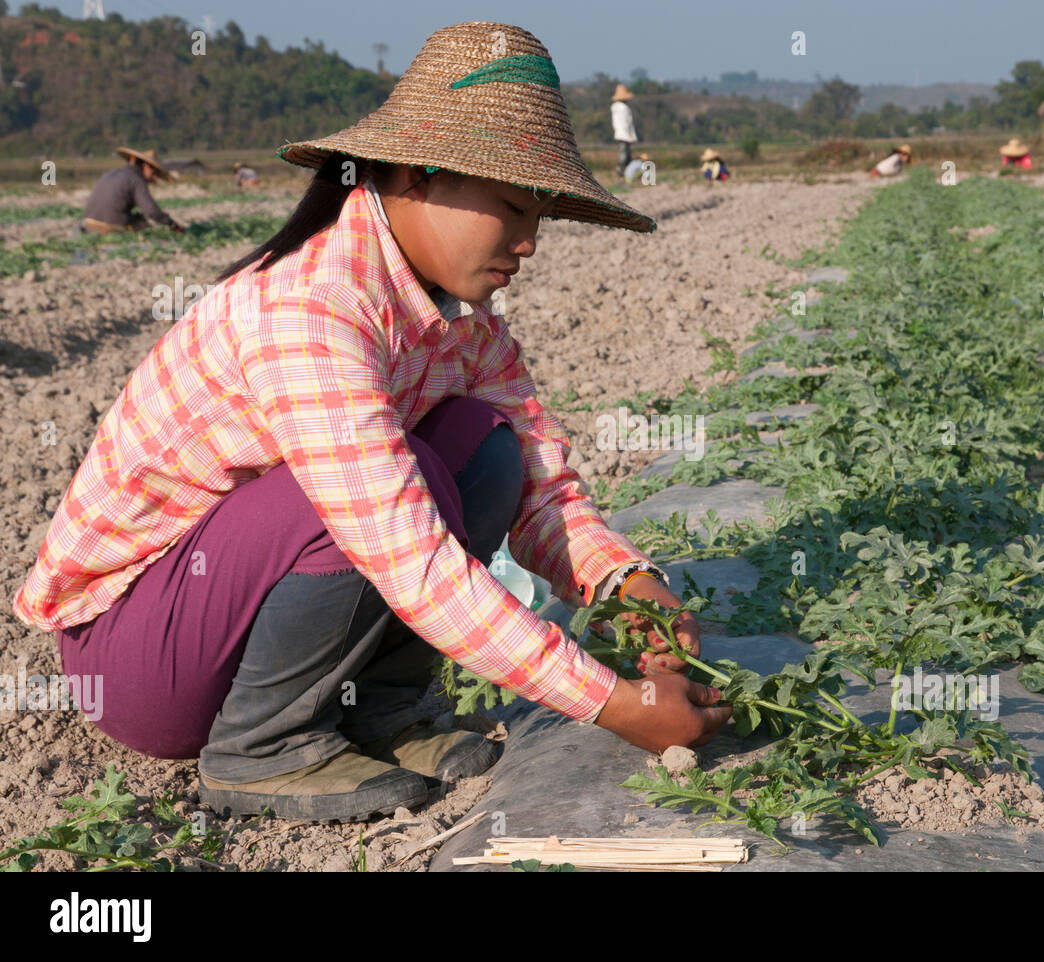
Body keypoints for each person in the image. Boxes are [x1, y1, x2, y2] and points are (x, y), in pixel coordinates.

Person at [13, 21, 730, 824]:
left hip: (226, 619)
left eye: (542, 217)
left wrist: (624, 582)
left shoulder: (464, 326)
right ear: (413, 175)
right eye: (510, 207)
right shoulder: (311, 310)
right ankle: (263, 747)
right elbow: (408, 555)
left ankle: (376, 712)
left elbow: (541, 485)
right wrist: (613, 703)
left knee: (489, 450)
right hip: (141, 661)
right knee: (389, 484)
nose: (528, 242)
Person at [81, 147, 185, 235]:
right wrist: (172, 225)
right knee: (144, 224)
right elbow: (152, 212)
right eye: (154, 171)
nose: (154, 175)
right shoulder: (136, 179)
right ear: (146, 166)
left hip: (87, 222)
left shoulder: (112, 173)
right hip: (109, 225)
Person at [610, 82, 638, 176]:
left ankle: (625, 172)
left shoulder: (615, 107)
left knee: (625, 153)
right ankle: (622, 171)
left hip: (619, 133)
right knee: (624, 154)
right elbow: (627, 124)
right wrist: (631, 136)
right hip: (625, 134)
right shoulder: (624, 108)